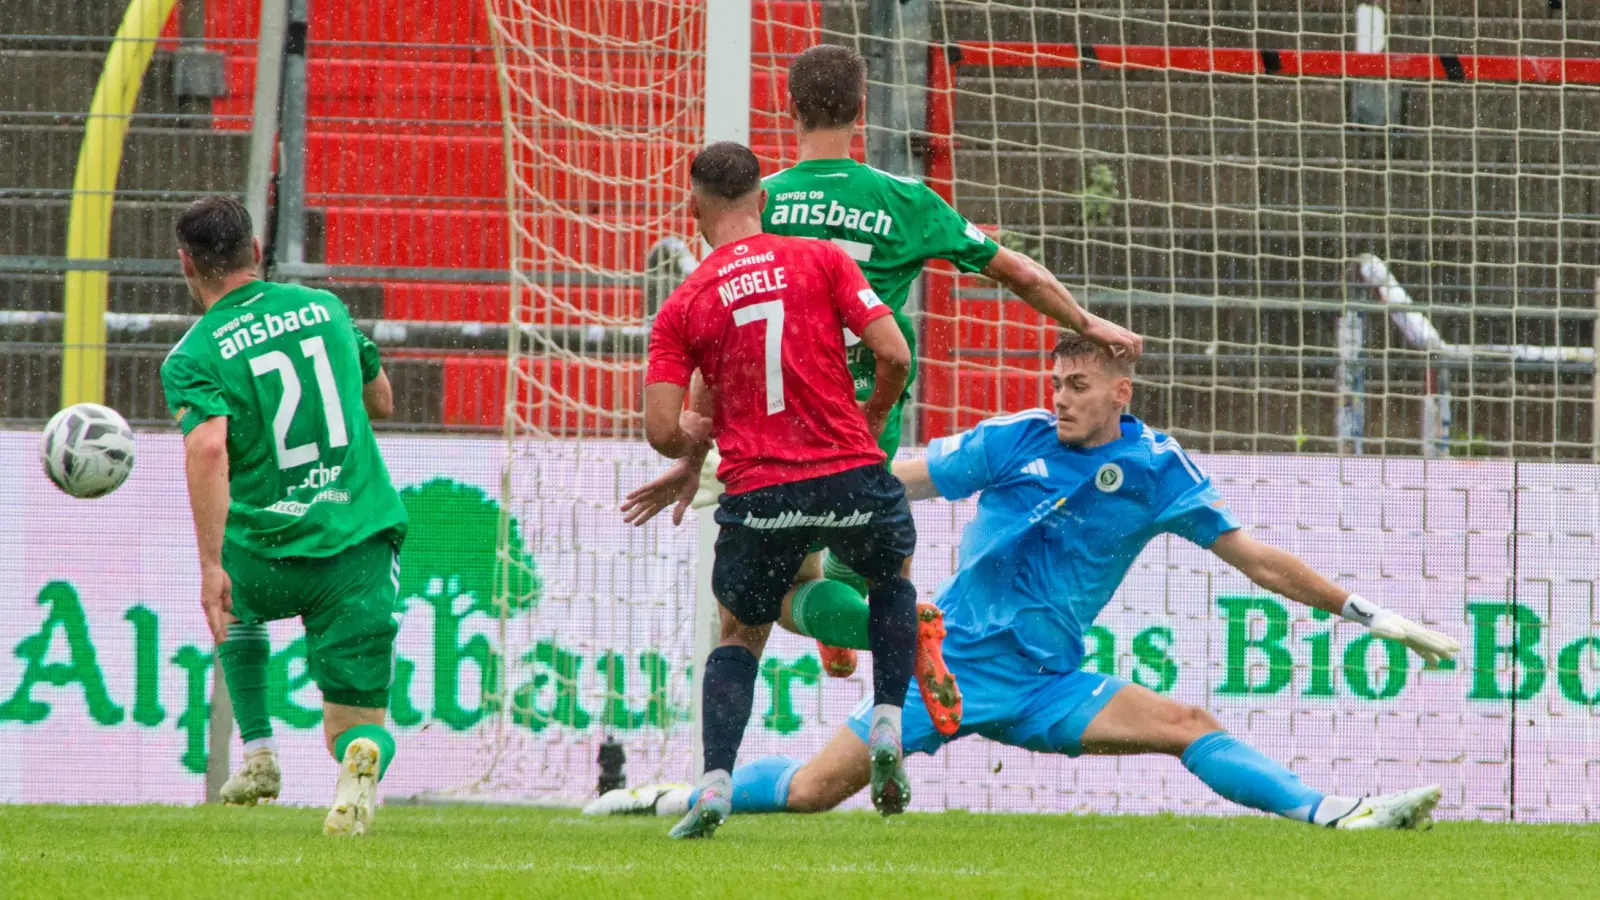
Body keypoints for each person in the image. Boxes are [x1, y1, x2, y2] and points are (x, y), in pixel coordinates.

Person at [595, 334, 1462, 830]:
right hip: (953, 664)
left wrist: (1364, 611)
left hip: (1050, 682)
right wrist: (784, 479)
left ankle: (1341, 813)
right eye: (1055, 382)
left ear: (1121, 392)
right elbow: (901, 475)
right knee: (815, 792)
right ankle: (667, 791)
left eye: (1078, 386)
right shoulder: (1017, 439)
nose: (1061, 398)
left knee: (1187, 723)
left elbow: (1255, 559)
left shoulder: (1160, 470)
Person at [627, 44, 1144, 734]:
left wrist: (691, 456)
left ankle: (822, 646)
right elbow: (1014, 270)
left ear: (791, 108)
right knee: (878, 572)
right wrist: (1082, 320)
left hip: (772, 435)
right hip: (866, 430)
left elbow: (719, 343)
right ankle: (873, 646)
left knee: (763, 606)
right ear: (863, 109)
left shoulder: (760, 202)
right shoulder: (905, 201)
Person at [643, 141, 925, 838]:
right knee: (888, 577)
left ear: (694, 212)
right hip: (848, 471)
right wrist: (878, 413)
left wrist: (689, 437)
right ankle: (887, 719)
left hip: (760, 492)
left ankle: (714, 785)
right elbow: (894, 353)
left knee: (739, 632)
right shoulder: (821, 259)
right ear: (762, 201)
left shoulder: (685, 304)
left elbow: (660, 430)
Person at [160, 195, 408, 836]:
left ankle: (259, 753)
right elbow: (381, 399)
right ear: (256, 252)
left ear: (186, 264)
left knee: (231, 604)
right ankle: (362, 760)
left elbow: (209, 444)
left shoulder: (192, 356)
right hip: (354, 540)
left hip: (265, 553)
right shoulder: (322, 308)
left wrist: (211, 564)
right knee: (351, 724)